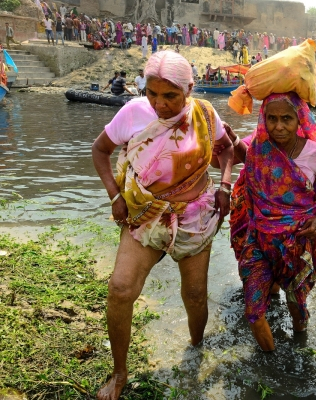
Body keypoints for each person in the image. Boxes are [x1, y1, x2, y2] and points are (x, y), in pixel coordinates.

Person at [91, 51, 234, 400]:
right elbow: (100, 150)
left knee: (195, 294)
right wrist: (114, 196)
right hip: (144, 212)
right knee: (121, 289)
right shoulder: (134, 112)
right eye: (152, 93)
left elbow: (227, 148)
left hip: (195, 215)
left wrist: (225, 186)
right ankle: (120, 373)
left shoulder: (203, 112)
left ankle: (195, 348)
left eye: (170, 95)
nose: (160, 104)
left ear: (189, 88)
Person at [229, 92, 316, 352]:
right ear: (264, 119)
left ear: (299, 119)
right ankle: (270, 365)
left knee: (296, 305)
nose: (279, 126)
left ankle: (300, 349)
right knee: (254, 312)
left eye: (286, 119)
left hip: (298, 243)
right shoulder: (258, 151)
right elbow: (245, 181)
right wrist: (230, 138)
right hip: (259, 239)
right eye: (272, 119)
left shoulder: (315, 153)